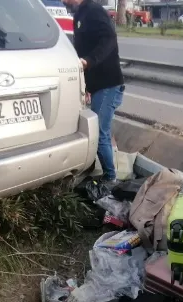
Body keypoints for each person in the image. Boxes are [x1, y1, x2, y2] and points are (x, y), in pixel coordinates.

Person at [63, 0, 125, 182]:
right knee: (96, 132)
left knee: (98, 133)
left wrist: (90, 60)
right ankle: (99, 171)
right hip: (97, 86)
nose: (63, 1)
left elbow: (109, 39)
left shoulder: (94, 10)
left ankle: (110, 179)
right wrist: (87, 86)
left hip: (108, 84)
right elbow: (82, 47)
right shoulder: (79, 14)